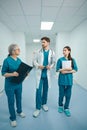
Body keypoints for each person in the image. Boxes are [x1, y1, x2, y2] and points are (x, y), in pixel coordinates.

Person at [1, 44, 26, 127]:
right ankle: (13, 118)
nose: (19, 50)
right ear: (12, 51)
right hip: (10, 85)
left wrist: (25, 73)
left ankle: (19, 111)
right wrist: (12, 74)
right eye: (17, 49)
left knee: (19, 98)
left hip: (19, 84)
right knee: (11, 102)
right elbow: (3, 73)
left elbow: (20, 71)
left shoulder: (19, 60)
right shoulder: (7, 60)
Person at [33, 37, 55, 118]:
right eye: (41, 42)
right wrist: (39, 66)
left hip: (47, 75)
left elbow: (54, 62)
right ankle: (37, 108)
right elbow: (34, 61)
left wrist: (51, 66)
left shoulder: (52, 52)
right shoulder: (38, 52)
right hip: (40, 74)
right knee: (38, 91)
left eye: (44, 42)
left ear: (48, 43)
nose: (42, 44)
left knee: (45, 90)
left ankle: (44, 104)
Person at [56, 46, 78, 117]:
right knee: (61, 94)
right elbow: (57, 69)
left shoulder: (72, 60)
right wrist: (62, 70)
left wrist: (68, 70)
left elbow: (76, 69)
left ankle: (66, 108)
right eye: (63, 50)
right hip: (61, 80)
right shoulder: (60, 60)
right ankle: (60, 106)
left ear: (69, 51)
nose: (63, 52)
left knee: (68, 95)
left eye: (65, 50)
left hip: (69, 81)